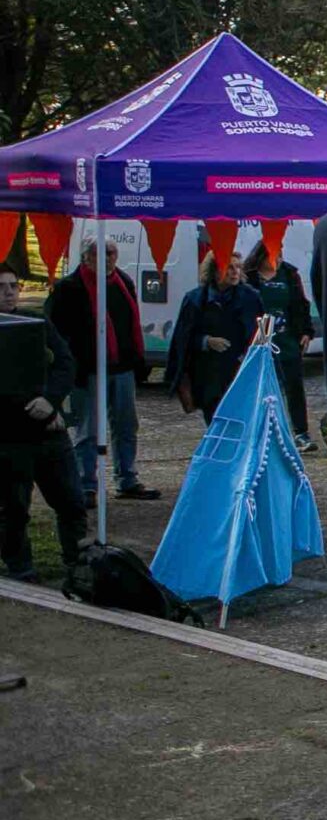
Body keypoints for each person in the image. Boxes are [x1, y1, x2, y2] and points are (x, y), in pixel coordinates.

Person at [46, 243, 156, 505]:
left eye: (111, 253)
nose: (106, 258)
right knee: (89, 430)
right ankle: (86, 485)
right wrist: (70, 365)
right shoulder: (68, 288)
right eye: (99, 253)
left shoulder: (123, 282)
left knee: (126, 425)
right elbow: (56, 333)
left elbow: (131, 323)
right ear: (86, 257)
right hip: (88, 370)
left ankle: (127, 478)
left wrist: (136, 360)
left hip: (122, 368)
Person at [0, 268, 83, 583]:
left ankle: (77, 562)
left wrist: (51, 401)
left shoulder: (36, 323)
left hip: (48, 432)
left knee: (72, 501)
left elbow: (65, 362)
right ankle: (20, 567)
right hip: (8, 438)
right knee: (13, 508)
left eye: (14, 286)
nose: (10, 292)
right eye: (2, 287)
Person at [239, 239, 317, 446]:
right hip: (262, 335)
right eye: (274, 254)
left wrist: (306, 331)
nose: (278, 258)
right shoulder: (251, 279)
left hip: (287, 336)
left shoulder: (289, 275)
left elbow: (301, 304)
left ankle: (301, 432)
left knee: (294, 386)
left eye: (280, 254)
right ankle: (264, 430)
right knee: (265, 386)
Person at [169, 252, 260, 424]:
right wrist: (206, 341)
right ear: (215, 270)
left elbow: (259, 334)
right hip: (209, 377)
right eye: (229, 267)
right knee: (215, 424)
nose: (235, 272)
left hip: (240, 374)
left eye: (238, 267)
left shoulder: (250, 298)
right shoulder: (195, 299)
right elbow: (182, 339)